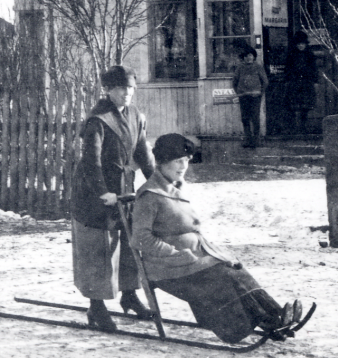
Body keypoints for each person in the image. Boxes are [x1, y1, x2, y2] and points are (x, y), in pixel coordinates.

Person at [131, 133, 304, 342]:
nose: (183, 166)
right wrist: (176, 254)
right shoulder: (149, 195)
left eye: (186, 160)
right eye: (177, 161)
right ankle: (262, 321)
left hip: (192, 260)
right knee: (223, 274)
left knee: (234, 267)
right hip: (166, 267)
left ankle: (275, 316)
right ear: (162, 162)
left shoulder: (177, 188)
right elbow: (140, 239)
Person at [71, 65, 156, 331]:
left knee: (130, 245)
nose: (127, 93)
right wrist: (101, 193)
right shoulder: (98, 119)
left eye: (130, 88)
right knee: (100, 250)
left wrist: (158, 184)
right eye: (121, 88)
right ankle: (96, 307)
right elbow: (90, 163)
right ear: (107, 90)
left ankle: (129, 296)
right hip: (95, 194)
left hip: (124, 190)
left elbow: (143, 153)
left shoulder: (135, 115)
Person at [283, 31, 319, 135]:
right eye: (298, 44)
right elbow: (287, 69)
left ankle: (303, 127)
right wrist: (288, 80)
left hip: (306, 83)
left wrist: (315, 81)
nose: (300, 46)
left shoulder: (310, 55)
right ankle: (294, 128)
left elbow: (314, 69)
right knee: (293, 106)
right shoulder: (291, 55)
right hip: (294, 83)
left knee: (305, 106)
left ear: (306, 44)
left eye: (302, 44)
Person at [232, 48, 268, 148]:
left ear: (254, 56)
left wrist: (260, 93)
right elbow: (234, 81)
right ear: (243, 57)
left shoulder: (258, 67)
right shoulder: (240, 67)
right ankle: (248, 140)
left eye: (250, 55)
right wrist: (239, 92)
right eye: (246, 56)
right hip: (243, 97)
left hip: (255, 97)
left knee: (255, 118)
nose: (248, 58)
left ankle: (256, 140)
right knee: (245, 118)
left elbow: (265, 81)